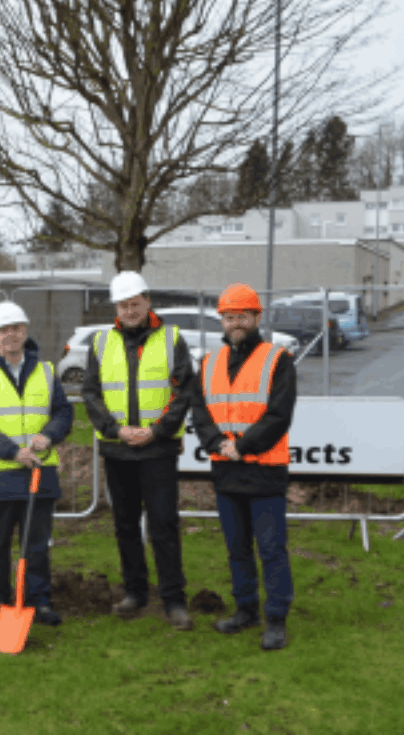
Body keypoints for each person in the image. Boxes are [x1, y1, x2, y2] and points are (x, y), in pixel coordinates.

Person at [81, 271, 196, 630]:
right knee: (125, 526)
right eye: (123, 305)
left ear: (147, 301)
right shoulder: (101, 342)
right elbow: (90, 393)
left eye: (134, 303)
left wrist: (156, 431)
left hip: (158, 450)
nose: (129, 310)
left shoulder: (171, 339)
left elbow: (184, 391)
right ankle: (135, 592)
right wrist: (116, 430)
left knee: (164, 525)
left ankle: (173, 599)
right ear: (116, 307)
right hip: (118, 450)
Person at [189, 282, 297, 651]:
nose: (235, 323)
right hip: (226, 471)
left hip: (265, 471)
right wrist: (217, 443)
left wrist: (242, 446)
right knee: (237, 549)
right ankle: (245, 610)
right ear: (222, 320)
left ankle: (276, 618)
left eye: (242, 316)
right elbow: (200, 411)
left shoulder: (278, 359)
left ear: (256, 317)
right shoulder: (209, 363)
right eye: (229, 317)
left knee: (271, 549)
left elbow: (279, 415)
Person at [0, 301, 73, 625]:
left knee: (37, 543)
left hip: (40, 470)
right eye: (2, 330)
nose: (9, 335)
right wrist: (13, 451)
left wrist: (48, 436)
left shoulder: (47, 370)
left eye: (15, 328)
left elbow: (64, 412)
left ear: (25, 331)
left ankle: (38, 600)